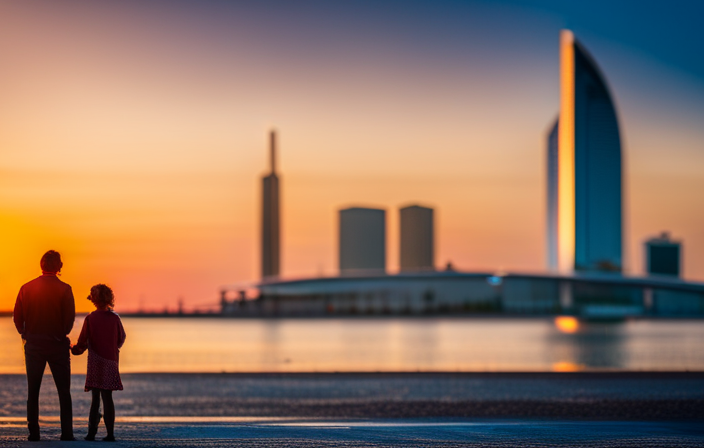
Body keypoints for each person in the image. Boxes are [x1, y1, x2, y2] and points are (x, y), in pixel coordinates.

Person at [13, 250, 76, 441]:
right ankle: (67, 433)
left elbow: (17, 317)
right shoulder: (65, 289)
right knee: (64, 391)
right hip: (57, 345)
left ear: (42, 265)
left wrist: (25, 333)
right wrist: (61, 333)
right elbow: (69, 320)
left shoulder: (26, 288)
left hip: (33, 345)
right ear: (59, 267)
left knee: (33, 390)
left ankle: (34, 433)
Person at [71, 284, 126, 442]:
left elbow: (82, 343)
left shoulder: (90, 319)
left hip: (95, 362)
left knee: (95, 398)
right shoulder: (115, 319)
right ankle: (110, 434)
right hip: (110, 361)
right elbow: (121, 338)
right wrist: (113, 349)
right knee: (107, 397)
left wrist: (74, 349)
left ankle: (91, 433)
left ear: (93, 300)